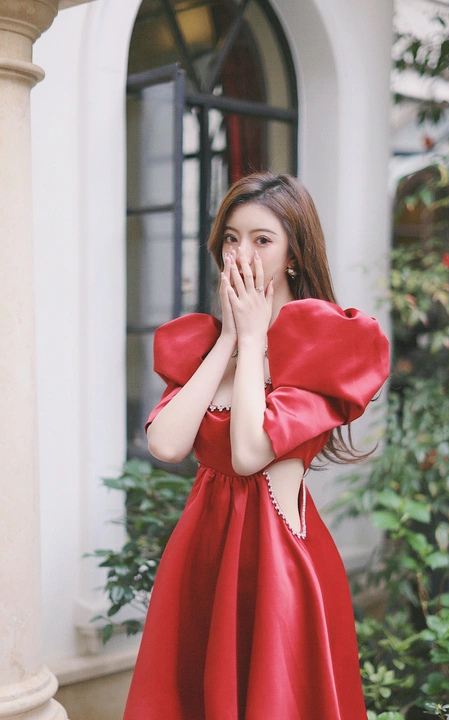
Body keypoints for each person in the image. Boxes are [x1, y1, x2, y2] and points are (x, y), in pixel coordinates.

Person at [123, 172, 389, 720]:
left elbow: (248, 454)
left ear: (293, 254)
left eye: (262, 239)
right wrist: (228, 339)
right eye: (231, 238)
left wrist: (252, 336)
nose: (241, 254)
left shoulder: (321, 346)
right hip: (201, 559)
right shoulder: (202, 342)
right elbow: (167, 444)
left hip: (277, 565)